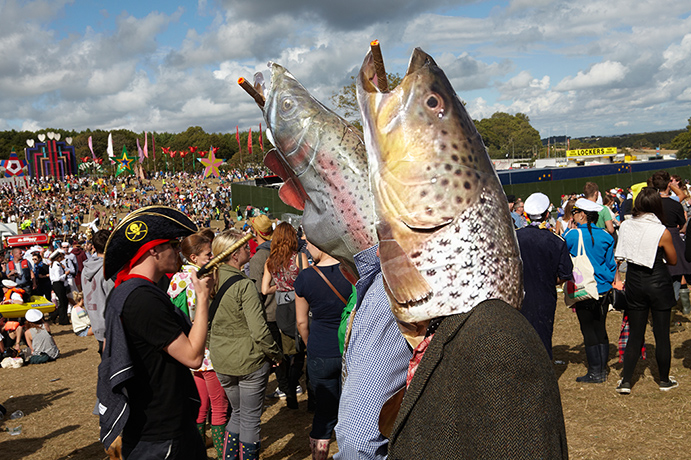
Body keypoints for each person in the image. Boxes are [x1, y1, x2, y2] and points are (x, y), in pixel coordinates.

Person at [97, 206, 213, 459]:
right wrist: (203, 298)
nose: (177, 250)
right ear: (153, 250)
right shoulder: (143, 299)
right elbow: (193, 357)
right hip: (162, 431)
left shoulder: (126, 291)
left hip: (156, 425)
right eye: (172, 244)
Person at [209, 229, 283, 460]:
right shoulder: (243, 285)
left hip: (221, 360)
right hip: (249, 360)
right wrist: (276, 354)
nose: (248, 249)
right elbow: (260, 331)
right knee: (249, 418)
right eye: (243, 247)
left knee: (238, 413)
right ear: (233, 254)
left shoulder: (210, 280)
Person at [168, 229, 229, 458]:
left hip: (187, 351)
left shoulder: (177, 279)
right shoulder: (199, 280)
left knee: (201, 403)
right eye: (207, 254)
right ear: (194, 257)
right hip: (206, 351)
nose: (211, 257)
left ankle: (196, 448)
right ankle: (226, 452)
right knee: (219, 406)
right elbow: (201, 317)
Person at [614, 187, 678, 394]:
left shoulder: (626, 226)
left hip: (634, 280)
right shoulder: (661, 231)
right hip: (658, 280)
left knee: (635, 333)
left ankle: (626, 381)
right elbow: (673, 260)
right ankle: (664, 380)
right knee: (661, 334)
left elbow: (620, 256)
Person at [294, 240, 351, 459]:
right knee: (351, 409)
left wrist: (311, 346)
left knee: (324, 414)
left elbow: (301, 323)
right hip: (349, 348)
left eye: (309, 244)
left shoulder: (306, 277)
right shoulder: (351, 271)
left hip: (320, 350)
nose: (306, 249)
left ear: (321, 243)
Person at [564, 198, 617, 383]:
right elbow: (611, 265)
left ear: (581, 214)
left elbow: (563, 253)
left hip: (583, 287)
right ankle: (602, 369)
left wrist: (567, 229)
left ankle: (595, 372)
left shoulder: (572, 235)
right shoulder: (606, 236)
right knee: (600, 328)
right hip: (602, 288)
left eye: (575, 212)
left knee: (587, 330)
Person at [516, 193, 573, 359]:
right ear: (547, 215)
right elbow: (565, 273)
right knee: (543, 337)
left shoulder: (515, 237)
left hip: (518, 296)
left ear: (525, 215)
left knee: (520, 338)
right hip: (545, 296)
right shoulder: (556, 241)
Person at [261, 222, 309, 409]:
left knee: (288, 351)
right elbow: (306, 283)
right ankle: (293, 384)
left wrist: (280, 288)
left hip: (281, 309)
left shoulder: (270, 261)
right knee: (301, 350)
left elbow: (265, 289)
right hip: (299, 305)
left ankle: (289, 388)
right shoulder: (299, 257)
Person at [81, 230, 113, 355]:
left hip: (96, 321)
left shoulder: (86, 269)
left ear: (94, 247)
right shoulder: (108, 269)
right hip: (109, 324)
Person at [48, 250, 70, 325]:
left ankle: (55, 317)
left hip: (56, 284)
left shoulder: (54, 264)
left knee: (63, 301)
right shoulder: (56, 265)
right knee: (63, 301)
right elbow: (58, 277)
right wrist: (65, 274)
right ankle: (62, 319)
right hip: (58, 283)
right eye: (60, 256)